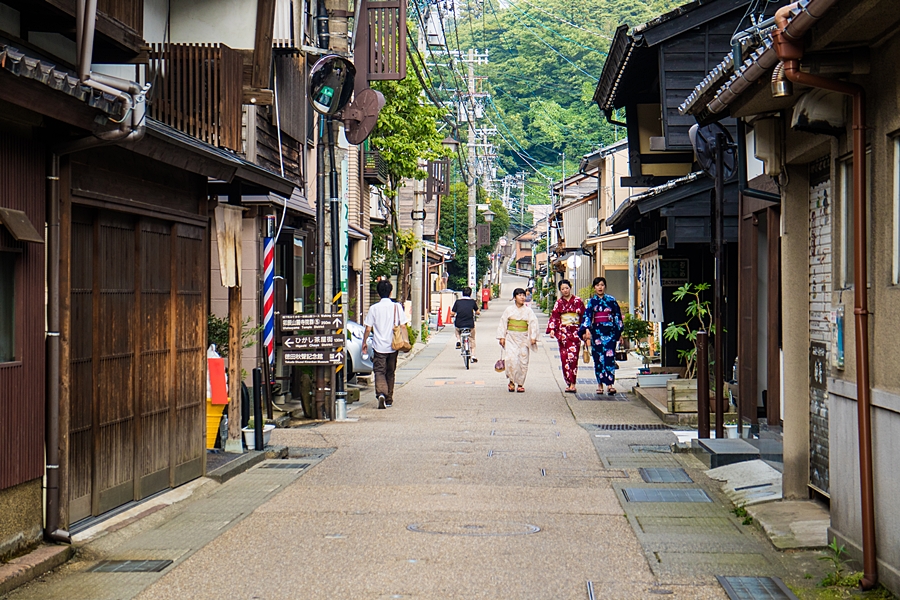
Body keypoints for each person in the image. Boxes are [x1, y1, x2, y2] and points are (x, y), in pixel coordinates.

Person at [362, 280, 407, 409]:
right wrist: (406, 341)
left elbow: (368, 328)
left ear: (378, 293)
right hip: (394, 345)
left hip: (379, 346)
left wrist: (364, 342)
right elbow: (403, 326)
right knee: (390, 372)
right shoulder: (397, 307)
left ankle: (381, 393)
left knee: (379, 371)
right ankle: (389, 399)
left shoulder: (374, 308)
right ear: (390, 292)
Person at [579, 276, 624, 395]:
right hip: (597, 333)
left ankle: (610, 384)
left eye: (602, 285)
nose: (600, 287)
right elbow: (587, 317)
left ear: (605, 286)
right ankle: (599, 384)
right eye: (598, 285)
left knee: (609, 358)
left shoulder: (611, 300)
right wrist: (586, 330)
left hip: (610, 332)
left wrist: (619, 332)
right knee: (598, 358)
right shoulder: (592, 302)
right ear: (594, 287)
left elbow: (617, 316)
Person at [546, 279, 586, 393]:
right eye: (562, 289)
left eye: (566, 288)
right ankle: (568, 382)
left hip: (575, 332)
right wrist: (553, 329)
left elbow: (584, 317)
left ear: (570, 288)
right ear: (560, 290)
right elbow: (554, 316)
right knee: (564, 359)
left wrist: (585, 331)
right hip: (563, 333)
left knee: (573, 358)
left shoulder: (578, 301)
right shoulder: (559, 303)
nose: (565, 291)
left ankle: (573, 382)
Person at [497, 287, 539, 393]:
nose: (522, 297)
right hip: (511, 337)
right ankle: (511, 381)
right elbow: (503, 323)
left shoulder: (528, 311)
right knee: (510, 359)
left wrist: (533, 337)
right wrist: (502, 336)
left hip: (524, 338)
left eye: (523, 295)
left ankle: (520, 383)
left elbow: (533, 323)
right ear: (514, 297)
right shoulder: (509, 310)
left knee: (523, 361)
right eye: (520, 295)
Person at [450, 287, 480, 363]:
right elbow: (478, 312)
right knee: (472, 339)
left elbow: (452, 313)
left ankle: (458, 340)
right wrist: (476, 313)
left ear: (462, 293)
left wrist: (452, 315)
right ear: (470, 294)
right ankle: (473, 355)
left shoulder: (458, 302)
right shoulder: (472, 302)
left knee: (457, 330)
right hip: (470, 324)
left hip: (459, 323)